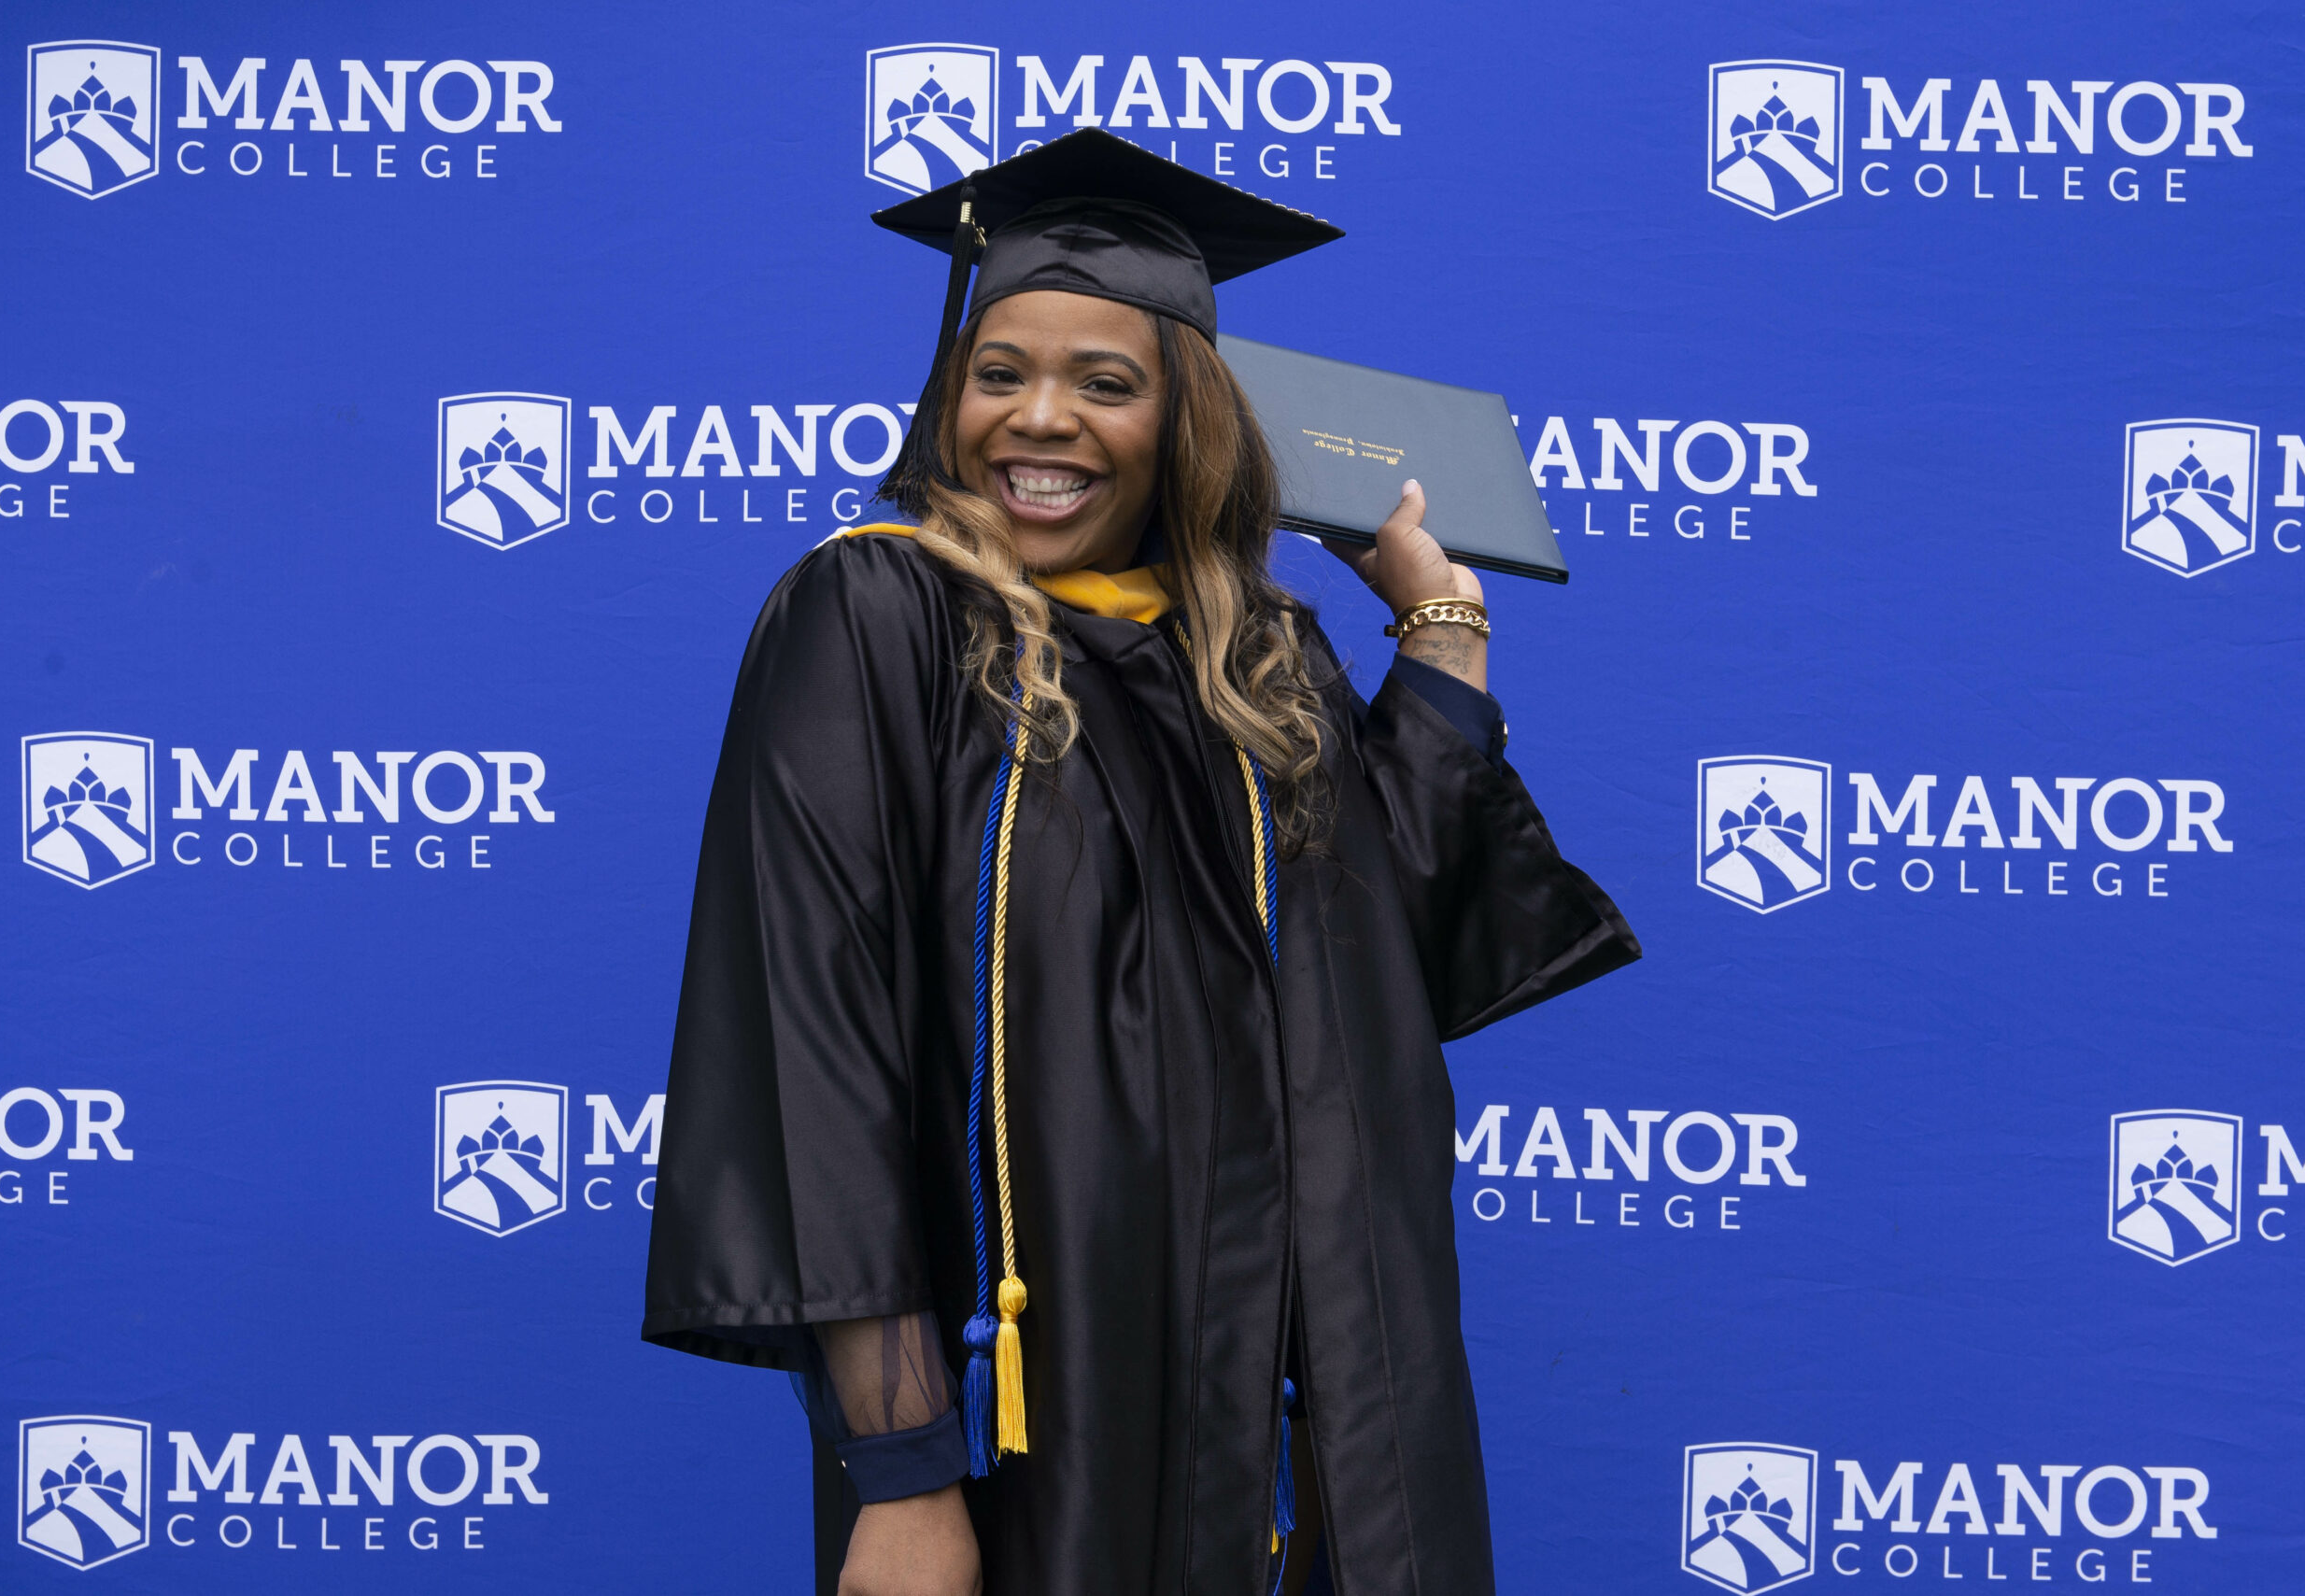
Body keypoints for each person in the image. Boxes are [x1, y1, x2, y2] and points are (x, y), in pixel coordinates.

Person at [643, 130, 1639, 1596]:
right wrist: (902, 1475)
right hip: (1045, 1435)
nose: (1038, 420)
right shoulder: (879, 616)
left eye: (1106, 382)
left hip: (1321, 1421)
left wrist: (1444, 640)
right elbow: (821, 1061)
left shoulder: (1256, 658)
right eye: (1000, 373)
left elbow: (1389, 966)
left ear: (1188, 419)